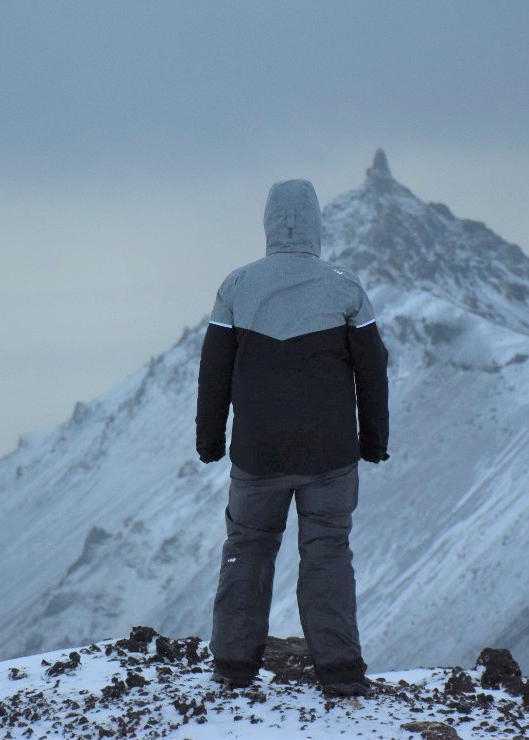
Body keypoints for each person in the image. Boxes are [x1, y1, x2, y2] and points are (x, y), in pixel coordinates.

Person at [194, 178, 390, 697]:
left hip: (257, 456)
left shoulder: (236, 287)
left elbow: (213, 372)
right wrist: (373, 442)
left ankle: (233, 667)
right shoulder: (347, 288)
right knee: (327, 553)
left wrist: (210, 441)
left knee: (248, 549)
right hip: (330, 456)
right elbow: (372, 372)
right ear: (317, 226)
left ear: (267, 225)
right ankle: (342, 672)